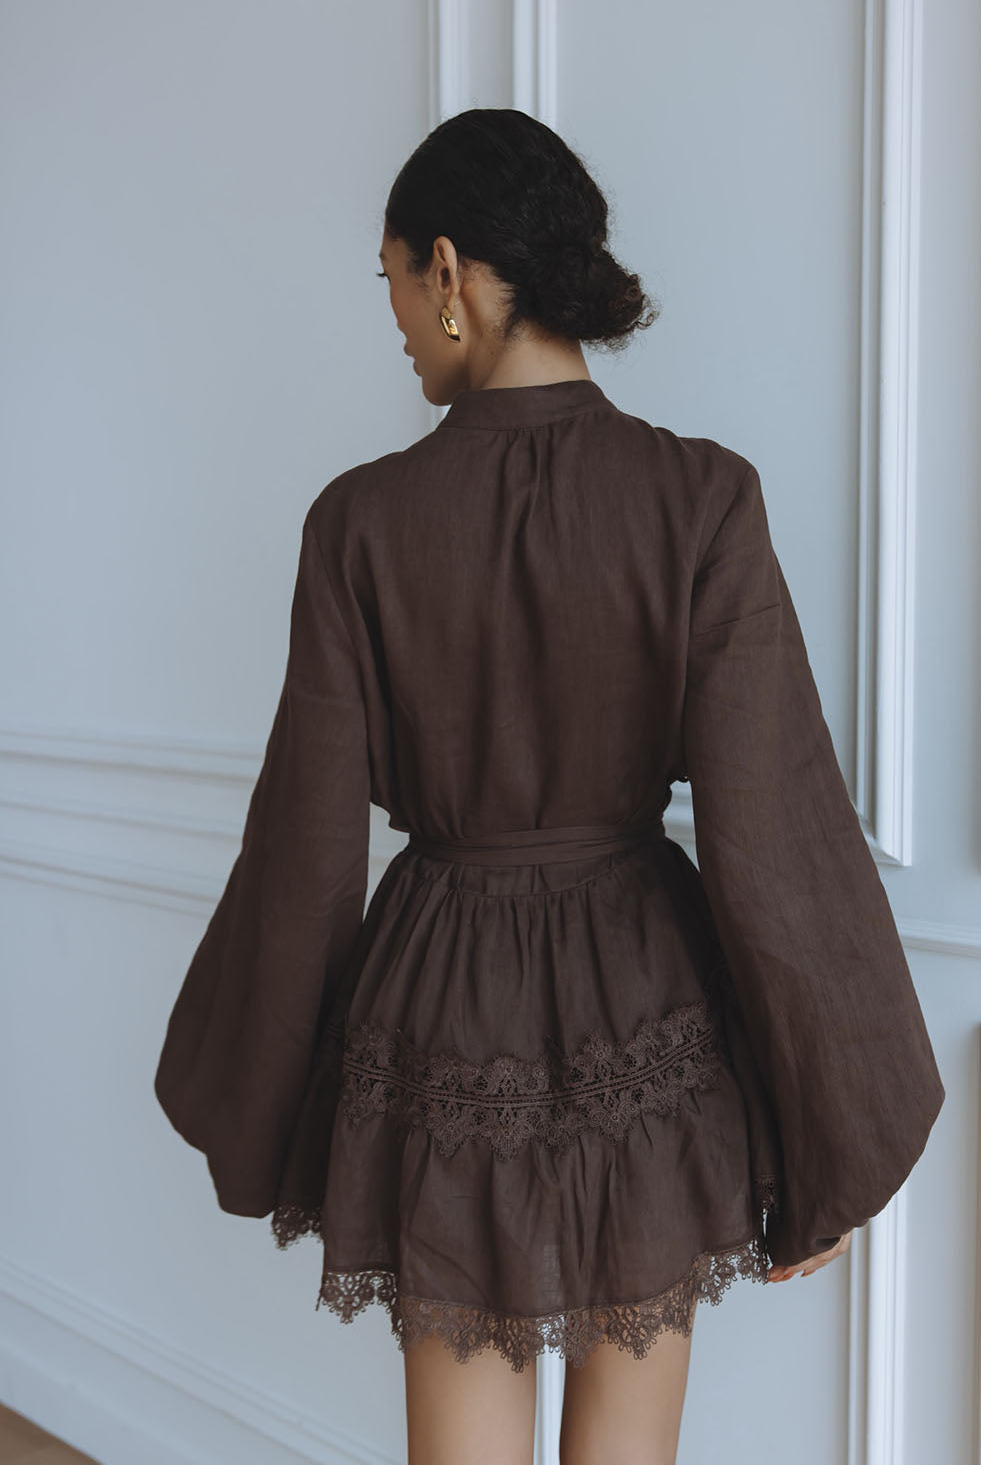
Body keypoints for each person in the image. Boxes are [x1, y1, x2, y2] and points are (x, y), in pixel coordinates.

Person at [154, 108, 945, 1465]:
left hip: (441, 1008)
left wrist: (259, 1109)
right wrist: (831, 1135)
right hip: (647, 1005)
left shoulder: (360, 523)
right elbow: (774, 836)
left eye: (390, 278)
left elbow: (305, 850)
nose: (396, 321)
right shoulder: (701, 498)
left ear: (447, 270)